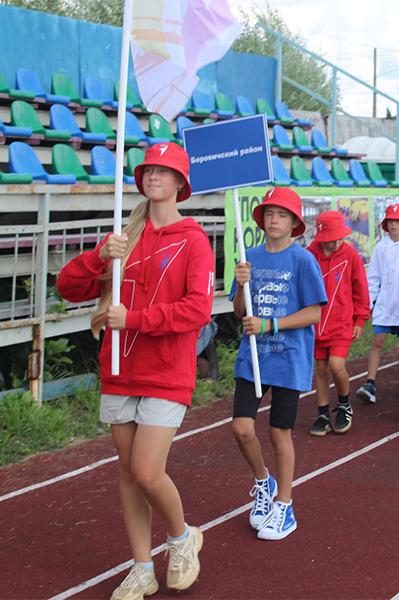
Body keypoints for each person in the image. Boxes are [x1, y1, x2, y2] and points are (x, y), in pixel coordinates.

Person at [56, 142, 213, 598]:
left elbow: (198, 311)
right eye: (148, 171)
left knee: (146, 471)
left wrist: (137, 320)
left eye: (164, 172)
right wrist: (100, 257)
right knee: (127, 473)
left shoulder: (194, 239)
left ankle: (182, 538)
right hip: (120, 367)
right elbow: (68, 288)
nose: (153, 177)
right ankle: (142, 567)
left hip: (167, 372)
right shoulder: (124, 236)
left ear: (181, 183)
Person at [230, 188, 326, 540]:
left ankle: (283, 506)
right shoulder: (249, 257)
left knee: (277, 432)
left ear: (295, 223)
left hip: (288, 357)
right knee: (242, 429)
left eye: (282, 215)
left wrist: (271, 325)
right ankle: (262, 481)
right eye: (269, 213)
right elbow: (240, 311)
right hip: (253, 358)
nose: (274, 220)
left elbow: (314, 312)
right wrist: (241, 286)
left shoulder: (303, 261)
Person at [307, 211, 370, 435]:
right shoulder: (309, 255)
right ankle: (323, 414)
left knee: (336, 365)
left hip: (342, 322)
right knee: (321, 370)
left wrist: (360, 319)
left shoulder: (351, 255)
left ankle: (344, 405)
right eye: (331, 238)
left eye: (339, 238)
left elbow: (361, 289)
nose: (336, 243)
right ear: (321, 235)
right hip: (316, 324)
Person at [357, 204, 399, 403]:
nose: (393, 224)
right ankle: (370, 383)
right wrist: (369, 303)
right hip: (384, 304)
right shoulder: (382, 246)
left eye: (397, 220)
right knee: (377, 342)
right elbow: (373, 278)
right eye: (390, 220)